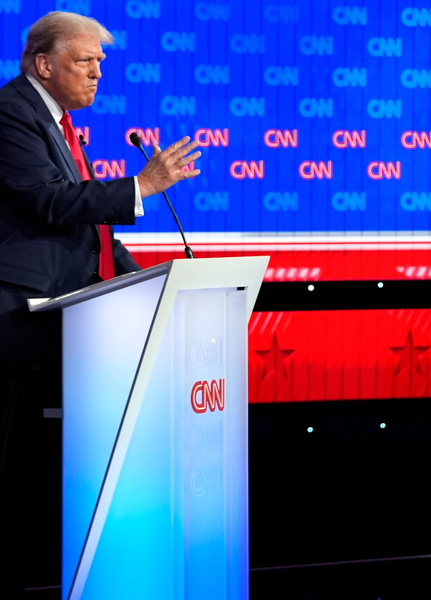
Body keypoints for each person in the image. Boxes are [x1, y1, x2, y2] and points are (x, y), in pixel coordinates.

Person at [0, 12, 200, 596]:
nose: (98, 72)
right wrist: (140, 186)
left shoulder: (56, 121)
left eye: (101, 62)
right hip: (19, 315)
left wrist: (151, 279)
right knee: (12, 469)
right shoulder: (12, 112)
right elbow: (46, 202)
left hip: (56, 315)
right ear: (44, 64)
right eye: (86, 61)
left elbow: (88, 225)